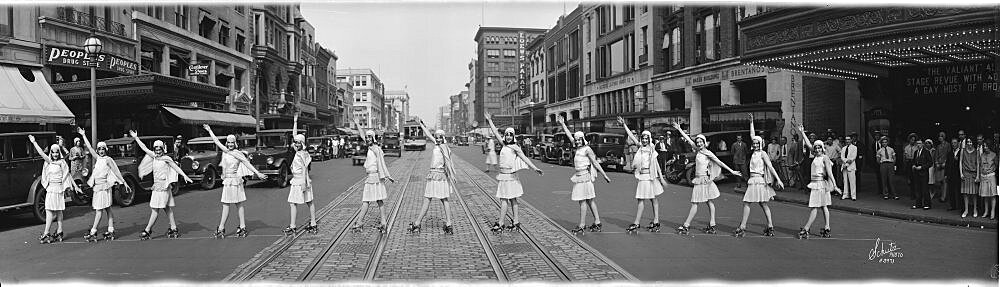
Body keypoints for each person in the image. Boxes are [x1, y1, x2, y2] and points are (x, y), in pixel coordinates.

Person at [672, 121, 742, 235]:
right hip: (699, 179)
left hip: (704, 180)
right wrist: (680, 129)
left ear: (705, 143)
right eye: (698, 142)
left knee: (700, 202)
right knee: (706, 202)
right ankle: (711, 225)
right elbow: (689, 140)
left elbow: (719, 162)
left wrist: (732, 171)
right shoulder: (698, 150)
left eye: (701, 142)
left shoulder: (707, 153)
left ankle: (687, 225)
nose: (699, 143)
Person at [204, 124, 267, 238]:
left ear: (235, 143)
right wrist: (210, 131)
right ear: (227, 143)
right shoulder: (225, 151)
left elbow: (248, 164)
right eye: (228, 142)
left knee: (239, 204)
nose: (230, 144)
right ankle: (221, 228)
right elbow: (216, 142)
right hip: (227, 182)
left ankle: (242, 227)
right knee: (225, 205)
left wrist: (257, 173)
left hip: (235, 181)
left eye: (232, 142)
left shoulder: (238, 153)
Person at [485, 113, 544, 233]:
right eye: (506, 135)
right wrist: (490, 121)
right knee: (511, 199)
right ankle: (515, 221)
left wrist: (535, 168)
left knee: (506, 200)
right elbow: (496, 132)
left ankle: (501, 223)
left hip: (510, 177)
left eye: (510, 135)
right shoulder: (503, 145)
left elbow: (525, 159)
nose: (507, 137)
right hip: (504, 176)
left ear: (513, 136)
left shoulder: (515, 147)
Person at [131, 130, 194, 240]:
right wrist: (136, 138)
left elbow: (176, 167)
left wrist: (185, 176)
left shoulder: (167, 158)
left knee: (155, 209)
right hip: (157, 187)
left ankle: (147, 229)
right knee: (167, 208)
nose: (158, 151)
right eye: (156, 149)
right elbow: (144, 148)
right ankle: (174, 227)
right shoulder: (154, 157)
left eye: (160, 149)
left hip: (164, 187)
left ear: (163, 149)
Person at [559, 117, 611, 233]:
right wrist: (563, 124)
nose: (576, 141)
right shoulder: (578, 147)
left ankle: (582, 225)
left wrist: (604, 175)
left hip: (585, 177)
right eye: (576, 140)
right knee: (589, 200)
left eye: (578, 140)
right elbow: (569, 135)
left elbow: (595, 163)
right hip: (579, 177)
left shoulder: (587, 149)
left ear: (583, 139)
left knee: (584, 201)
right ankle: (597, 222)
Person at [77, 128, 129, 242]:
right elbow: (90, 148)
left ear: (106, 150)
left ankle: (93, 231)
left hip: (104, 188)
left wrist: (124, 182)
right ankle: (111, 230)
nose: (101, 151)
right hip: (97, 188)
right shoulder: (97, 158)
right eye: (99, 149)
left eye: (102, 149)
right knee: (107, 209)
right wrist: (83, 135)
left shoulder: (108, 160)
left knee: (100, 211)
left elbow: (116, 171)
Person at [734, 114, 782, 237]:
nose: (755, 145)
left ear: (761, 144)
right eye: (754, 143)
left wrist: (778, 179)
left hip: (759, 180)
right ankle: (749, 226)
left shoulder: (763, 154)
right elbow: (752, 135)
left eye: (757, 143)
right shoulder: (754, 153)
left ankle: (765, 226)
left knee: (759, 203)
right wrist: (751, 122)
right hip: (752, 180)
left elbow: (770, 167)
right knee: (751, 203)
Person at [617, 117, 667, 232]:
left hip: (650, 177)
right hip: (642, 177)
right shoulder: (640, 147)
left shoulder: (652, 149)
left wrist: (661, 178)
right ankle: (640, 222)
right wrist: (624, 125)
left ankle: (654, 221)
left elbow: (656, 164)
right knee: (642, 199)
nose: (644, 140)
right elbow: (632, 136)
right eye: (643, 138)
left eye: (646, 138)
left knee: (652, 199)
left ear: (649, 139)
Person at [28, 135, 81, 244]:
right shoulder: (49, 161)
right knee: (52, 211)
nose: (55, 154)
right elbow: (41, 153)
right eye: (53, 152)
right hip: (51, 189)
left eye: (57, 152)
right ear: (51, 153)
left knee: (55, 211)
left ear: (59, 152)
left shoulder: (62, 162)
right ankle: (57, 231)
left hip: (58, 188)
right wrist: (34, 142)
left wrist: (75, 187)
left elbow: (68, 175)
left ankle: (48, 232)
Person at [409, 122, 457, 234]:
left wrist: (452, 175)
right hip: (433, 175)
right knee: (429, 199)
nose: (438, 139)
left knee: (443, 199)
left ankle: (447, 223)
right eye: (437, 138)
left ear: (443, 138)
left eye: (440, 138)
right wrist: (422, 126)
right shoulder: (437, 145)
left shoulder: (445, 148)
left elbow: (449, 163)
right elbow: (429, 135)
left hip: (440, 176)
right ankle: (418, 222)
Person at [794, 124, 840, 239]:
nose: (817, 149)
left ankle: (807, 228)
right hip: (815, 183)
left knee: (818, 206)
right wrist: (802, 132)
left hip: (821, 184)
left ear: (822, 148)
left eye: (819, 147)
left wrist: (835, 186)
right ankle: (826, 227)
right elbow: (809, 144)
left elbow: (829, 173)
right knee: (822, 206)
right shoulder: (815, 155)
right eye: (816, 148)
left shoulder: (825, 158)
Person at [351, 117, 395, 233]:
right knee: (377, 201)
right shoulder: (370, 147)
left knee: (368, 200)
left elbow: (381, 163)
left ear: (373, 138)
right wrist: (358, 124)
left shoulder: (376, 149)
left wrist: (387, 175)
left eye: (369, 137)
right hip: (370, 177)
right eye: (367, 137)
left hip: (374, 177)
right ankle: (383, 222)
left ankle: (360, 222)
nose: (367, 139)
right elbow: (361, 134)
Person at [911, 139, 934, 209]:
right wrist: (913, 165)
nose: (918, 145)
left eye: (920, 143)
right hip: (917, 173)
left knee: (925, 189)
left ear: (922, 144)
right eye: (917, 143)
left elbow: (930, 163)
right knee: (918, 189)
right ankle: (918, 204)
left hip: (923, 173)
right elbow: (914, 161)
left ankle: (927, 204)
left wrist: (922, 167)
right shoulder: (915, 152)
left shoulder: (926, 152)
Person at [959, 138, 980, 218]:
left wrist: (978, 175)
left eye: (971, 142)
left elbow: (978, 164)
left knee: (974, 193)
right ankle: (966, 210)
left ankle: (975, 209)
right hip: (965, 173)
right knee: (965, 193)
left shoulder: (976, 152)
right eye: (968, 142)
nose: (969, 143)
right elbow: (960, 162)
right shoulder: (963, 150)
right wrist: (961, 173)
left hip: (973, 174)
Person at [978, 144, 997, 219]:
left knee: (992, 195)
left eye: (987, 146)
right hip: (983, 176)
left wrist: (992, 169)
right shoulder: (982, 155)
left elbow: (996, 165)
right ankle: (986, 211)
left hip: (991, 176)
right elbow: (980, 165)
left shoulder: (994, 155)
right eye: (984, 146)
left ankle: (992, 211)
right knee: (985, 195)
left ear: (990, 146)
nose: (985, 148)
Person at [934, 132, 952, 202]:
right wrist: (936, 163)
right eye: (939, 136)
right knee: (940, 181)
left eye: (941, 136)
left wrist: (946, 163)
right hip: (939, 164)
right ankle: (942, 195)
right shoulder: (938, 146)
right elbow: (936, 155)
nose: (940, 137)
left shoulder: (947, 145)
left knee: (945, 181)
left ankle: (944, 197)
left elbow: (949, 154)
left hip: (945, 165)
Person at [946, 137, 962, 211]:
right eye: (952, 143)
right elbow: (947, 164)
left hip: (958, 174)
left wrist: (957, 160)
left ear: (958, 143)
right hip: (950, 174)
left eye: (955, 143)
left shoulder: (961, 152)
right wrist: (946, 175)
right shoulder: (949, 153)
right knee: (951, 191)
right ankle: (953, 206)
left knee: (959, 191)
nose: (953, 144)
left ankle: (960, 206)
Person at [840, 134, 858, 200]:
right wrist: (845, 162)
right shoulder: (843, 148)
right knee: (845, 181)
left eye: (848, 139)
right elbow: (842, 157)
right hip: (844, 166)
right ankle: (845, 194)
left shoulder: (854, 147)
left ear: (851, 140)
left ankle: (853, 195)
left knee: (852, 181)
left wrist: (847, 164)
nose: (847, 141)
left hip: (851, 166)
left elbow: (853, 157)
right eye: (846, 139)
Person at [903, 133, 919, 199]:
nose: (913, 141)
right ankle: (912, 194)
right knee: (910, 179)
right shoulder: (906, 147)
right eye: (912, 140)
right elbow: (906, 156)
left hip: (915, 162)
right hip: (909, 163)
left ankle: (917, 193)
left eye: (914, 140)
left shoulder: (916, 147)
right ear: (909, 140)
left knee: (916, 179)